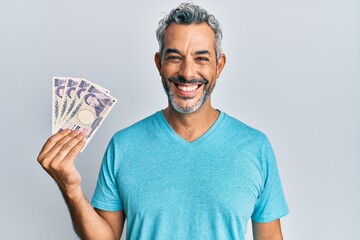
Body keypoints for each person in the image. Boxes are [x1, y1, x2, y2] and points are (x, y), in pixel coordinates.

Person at [37, 3, 288, 239]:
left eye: (201, 58)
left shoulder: (255, 147)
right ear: (159, 64)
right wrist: (70, 188)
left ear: (219, 66)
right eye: (175, 57)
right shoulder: (124, 145)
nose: (187, 73)